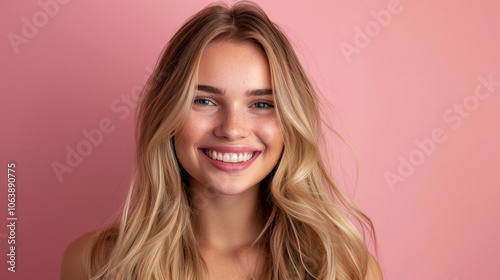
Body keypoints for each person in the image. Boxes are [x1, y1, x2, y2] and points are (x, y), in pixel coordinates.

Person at [61, 1, 383, 279]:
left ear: (290, 121)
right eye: (204, 101)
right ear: (167, 114)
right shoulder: (93, 264)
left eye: (261, 104)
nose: (232, 129)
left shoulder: (345, 268)